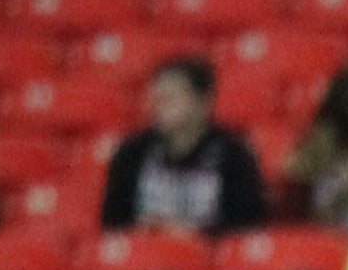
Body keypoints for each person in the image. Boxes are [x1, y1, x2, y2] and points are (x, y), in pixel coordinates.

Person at [99, 57, 270, 239]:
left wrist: (194, 235)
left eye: (171, 97)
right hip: (144, 257)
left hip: (211, 260)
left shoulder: (234, 154)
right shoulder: (131, 152)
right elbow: (112, 226)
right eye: (157, 97)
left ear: (203, 102)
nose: (159, 105)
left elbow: (249, 228)